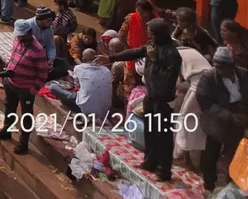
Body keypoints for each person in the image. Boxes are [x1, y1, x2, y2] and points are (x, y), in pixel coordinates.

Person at [109, 18, 182, 180]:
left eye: (151, 33)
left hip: (163, 100)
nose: (148, 36)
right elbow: (134, 52)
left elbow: (168, 80)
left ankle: (164, 170)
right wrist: (111, 58)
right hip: (150, 96)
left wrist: (154, 59)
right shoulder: (151, 46)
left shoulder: (172, 54)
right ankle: (150, 162)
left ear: (159, 34)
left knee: (162, 135)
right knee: (150, 132)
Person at [0, 20, 49, 155]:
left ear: (29, 33)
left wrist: (33, 89)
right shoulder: (17, 40)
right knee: (9, 108)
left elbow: (43, 73)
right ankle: (7, 130)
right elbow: (13, 57)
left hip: (26, 89)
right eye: (19, 35)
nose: (20, 38)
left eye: (22, 36)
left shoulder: (38, 50)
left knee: (26, 115)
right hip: (11, 82)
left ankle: (23, 143)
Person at [195, 46, 248, 191]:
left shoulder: (243, 75)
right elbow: (204, 102)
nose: (219, 70)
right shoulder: (209, 77)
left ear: (231, 66)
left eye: (222, 67)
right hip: (216, 120)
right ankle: (209, 184)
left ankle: (232, 186)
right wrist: (229, 116)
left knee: (236, 155)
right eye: (217, 67)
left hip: (239, 118)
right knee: (211, 153)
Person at [47, 49, 113, 123]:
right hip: (104, 111)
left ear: (83, 59)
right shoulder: (106, 70)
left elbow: (75, 85)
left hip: (85, 109)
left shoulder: (79, 68)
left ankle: (81, 114)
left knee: (53, 87)